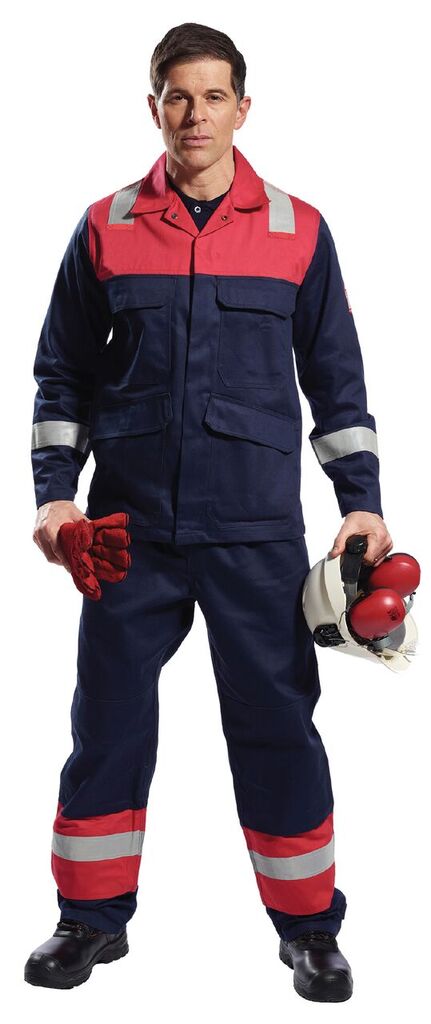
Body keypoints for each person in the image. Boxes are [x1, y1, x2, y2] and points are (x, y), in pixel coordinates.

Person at [25, 22, 393, 1001]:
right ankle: (89, 919)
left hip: (254, 531)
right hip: (127, 532)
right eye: (177, 96)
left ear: (242, 107)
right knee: (107, 724)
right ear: (154, 107)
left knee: (276, 724)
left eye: (213, 96)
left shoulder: (297, 229)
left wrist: (361, 506)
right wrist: (55, 496)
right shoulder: (105, 226)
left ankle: (308, 928)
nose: (195, 114)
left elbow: (337, 385)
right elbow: (61, 377)